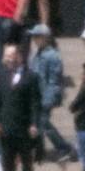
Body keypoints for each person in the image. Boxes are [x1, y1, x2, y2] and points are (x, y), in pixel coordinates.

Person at [0, 42, 44, 171]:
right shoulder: (1, 75)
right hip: (6, 128)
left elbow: (35, 103)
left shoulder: (31, 77)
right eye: (6, 56)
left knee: (27, 165)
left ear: (19, 57)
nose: (7, 59)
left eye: (11, 55)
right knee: (7, 164)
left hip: (24, 128)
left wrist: (34, 123)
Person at [27, 24, 77, 162]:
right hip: (35, 95)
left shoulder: (52, 56)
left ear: (45, 38)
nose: (34, 39)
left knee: (43, 125)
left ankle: (64, 148)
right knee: (40, 124)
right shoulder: (37, 54)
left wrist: (48, 99)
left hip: (45, 96)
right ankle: (38, 150)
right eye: (33, 36)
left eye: (37, 36)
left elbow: (54, 81)